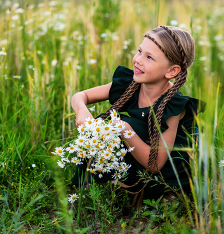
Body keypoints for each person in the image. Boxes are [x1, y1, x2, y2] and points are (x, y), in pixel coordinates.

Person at [71, 25, 206, 201]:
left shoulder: (173, 106)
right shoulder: (131, 84)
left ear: (172, 71)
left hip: (163, 174)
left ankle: (161, 195)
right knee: (100, 124)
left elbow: (155, 165)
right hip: (139, 153)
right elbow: (81, 96)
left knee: (126, 124)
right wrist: (82, 110)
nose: (138, 60)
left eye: (149, 57)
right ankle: (100, 184)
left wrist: (124, 129)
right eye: (140, 51)